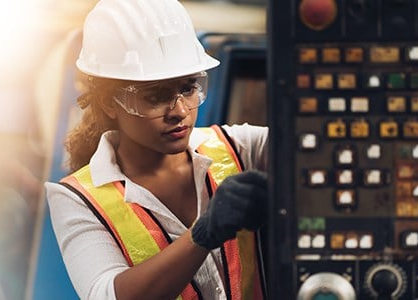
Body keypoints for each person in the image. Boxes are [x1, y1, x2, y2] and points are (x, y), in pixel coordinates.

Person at [45, 0, 269, 299]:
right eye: (155, 96)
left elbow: (317, 144)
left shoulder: (242, 148)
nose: (179, 110)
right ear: (111, 102)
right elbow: (107, 295)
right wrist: (202, 235)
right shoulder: (77, 199)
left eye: (188, 88)